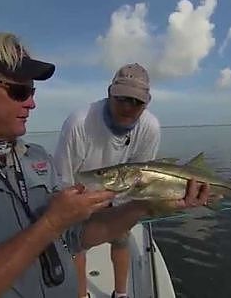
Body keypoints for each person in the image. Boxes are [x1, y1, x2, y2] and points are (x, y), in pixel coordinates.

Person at [0, 30, 209, 298]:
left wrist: (146, 205)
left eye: (31, 91)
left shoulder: (37, 158)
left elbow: (76, 236)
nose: (32, 103)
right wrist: (51, 224)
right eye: (19, 91)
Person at [53, 63, 170, 297]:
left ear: (147, 103)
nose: (128, 107)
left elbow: (142, 177)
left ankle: (121, 293)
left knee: (121, 239)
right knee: (77, 246)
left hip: (121, 193)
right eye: (122, 99)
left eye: (137, 102)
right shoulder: (78, 123)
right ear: (109, 92)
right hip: (81, 193)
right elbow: (62, 178)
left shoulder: (150, 127)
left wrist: (122, 205)